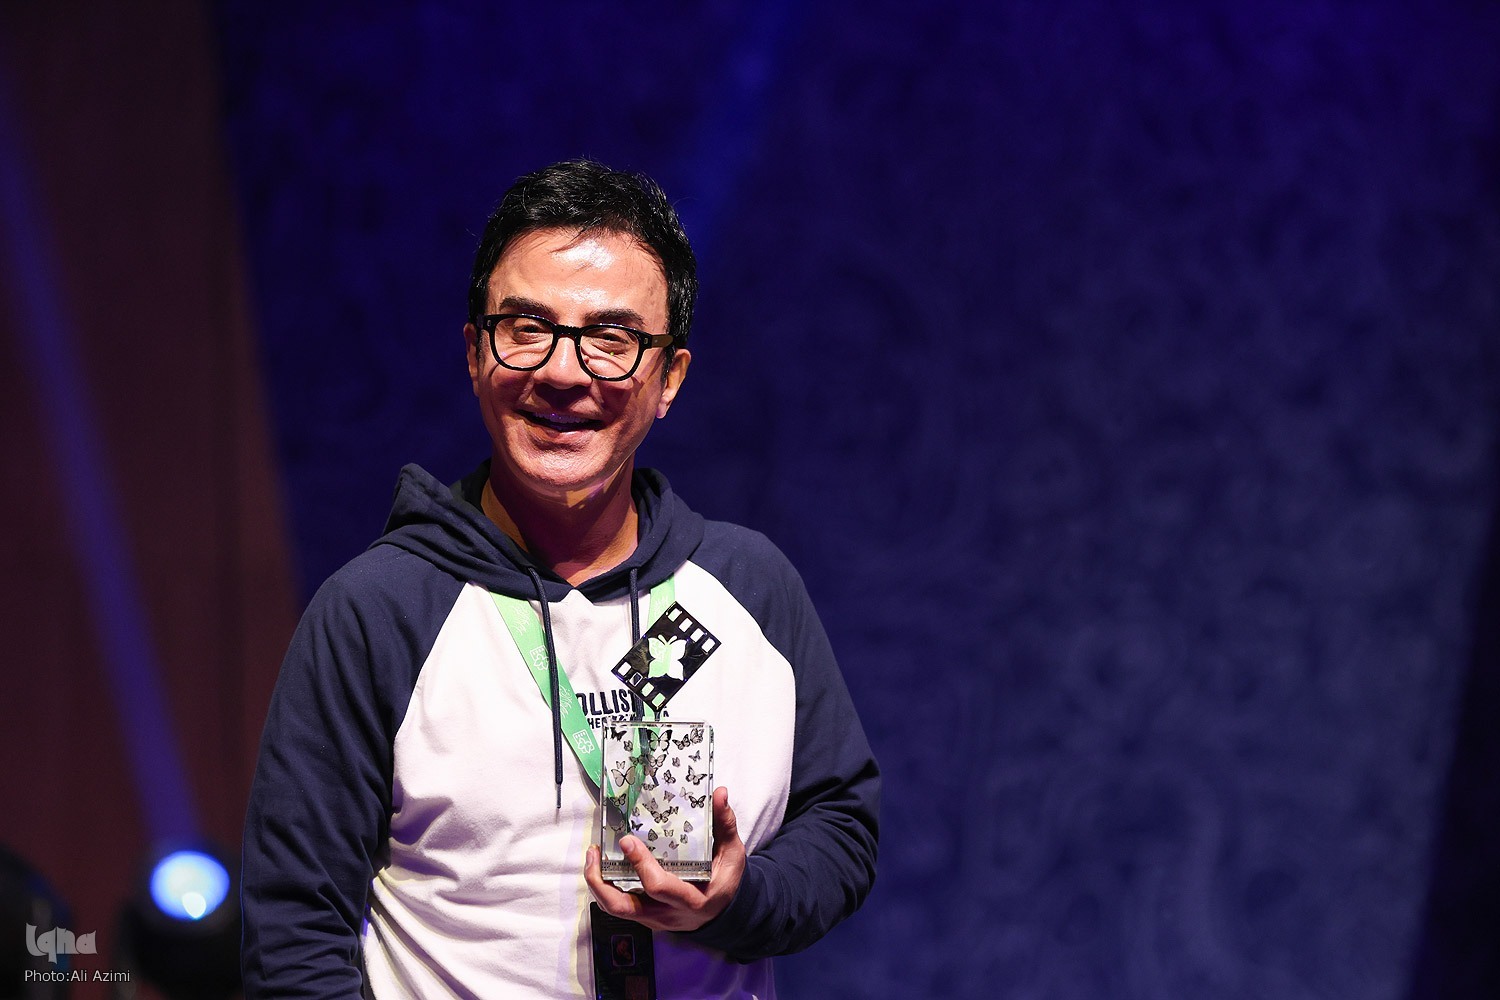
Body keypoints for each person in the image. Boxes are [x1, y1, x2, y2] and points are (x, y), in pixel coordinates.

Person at [241, 159, 880, 999]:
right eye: (526, 328)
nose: (564, 372)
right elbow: (294, 934)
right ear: (476, 352)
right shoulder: (376, 613)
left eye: (611, 339)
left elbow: (840, 825)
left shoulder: (751, 588)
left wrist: (736, 901)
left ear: (669, 378)